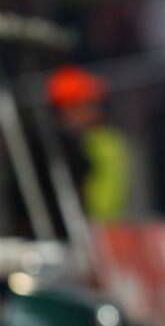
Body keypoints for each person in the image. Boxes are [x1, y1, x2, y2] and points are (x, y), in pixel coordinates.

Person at [48, 65, 130, 222]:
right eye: (88, 104)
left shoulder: (104, 141)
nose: (96, 109)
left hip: (99, 224)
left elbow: (107, 203)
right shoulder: (62, 145)